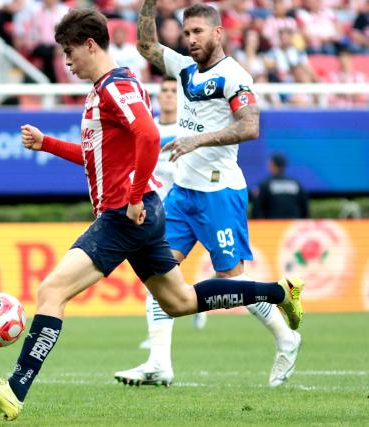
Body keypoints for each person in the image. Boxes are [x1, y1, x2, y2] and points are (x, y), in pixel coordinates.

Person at [0, 8, 305, 420]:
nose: (67, 63)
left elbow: (146, 133)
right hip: (139, 211)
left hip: (124, 215)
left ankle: (15, 389)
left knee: (51, 292)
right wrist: (47, 144)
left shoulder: (117, 86)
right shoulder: (104, 89)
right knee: (179, 301)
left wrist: (131, 196)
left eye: (70, 53)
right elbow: (96, 157)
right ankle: (279, 292)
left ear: (90, 45)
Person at [114, 1, 302, 389]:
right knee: (157, 273)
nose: (190, 39)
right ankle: (159, 364)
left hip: (220, 192)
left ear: (218, 33)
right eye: (186, 33)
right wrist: (149, 5)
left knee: (233, 281)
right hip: (183, 194)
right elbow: (147, 47)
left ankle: (287, 338)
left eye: (198, 32)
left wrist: (197, 140)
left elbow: (250, 126)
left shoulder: (235, 75)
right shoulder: (184, 69)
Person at [137, 76, 207, 353]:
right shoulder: (150, 130)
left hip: (188, 208)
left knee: (231, 273)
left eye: (171, 91)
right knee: (158, 278)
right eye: (163, 91)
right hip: (158, 213)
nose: (167, 95)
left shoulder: (187, 131)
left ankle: (196, 301)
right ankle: (158, 343)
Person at [252, 153, 309, 219]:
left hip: (272, 226)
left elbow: (256, 209)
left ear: (272, 165)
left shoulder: (265, 185)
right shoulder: (296, 184)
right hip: (292, 226)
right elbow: (305, 208)